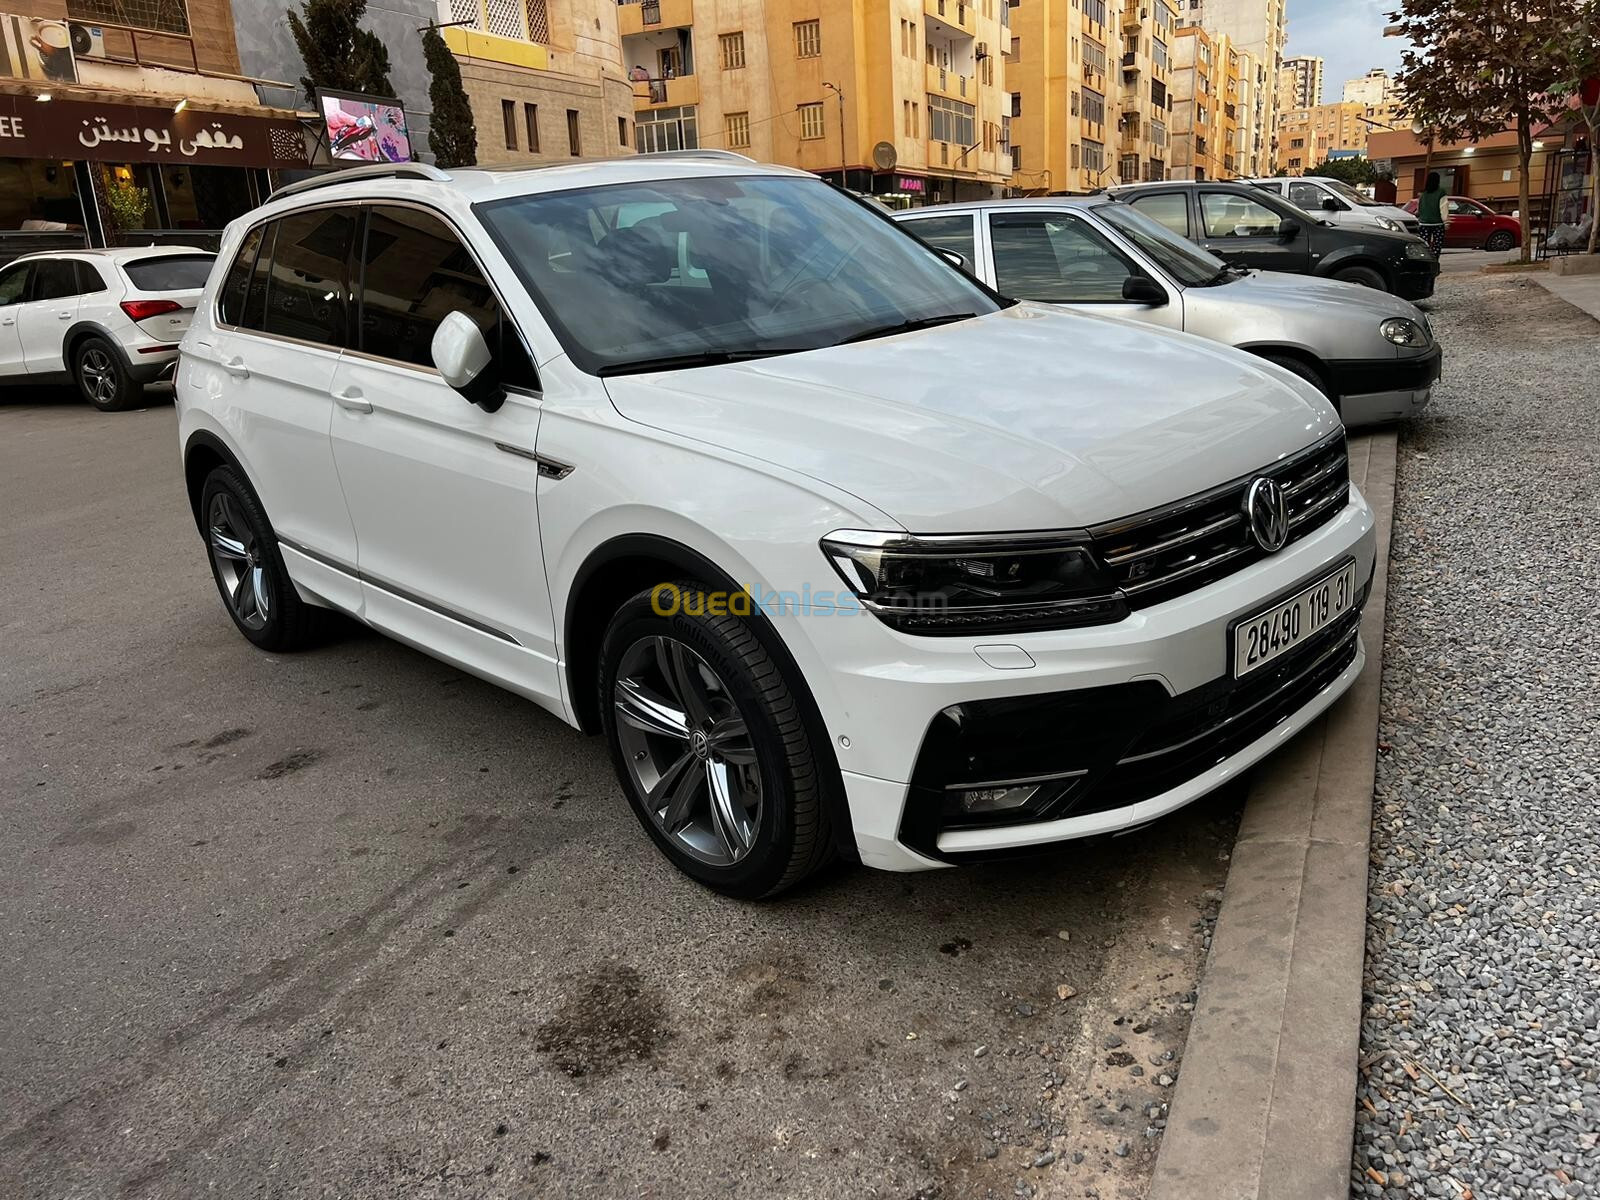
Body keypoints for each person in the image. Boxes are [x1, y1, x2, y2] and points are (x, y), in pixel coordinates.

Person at [1417, 171, 1447, 258]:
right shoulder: (1441, 192)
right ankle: (1434, 262)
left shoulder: (1424, 194)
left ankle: (1425, 262)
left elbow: (1419, 208)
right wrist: (1446, 221)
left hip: (1424, 223)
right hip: (1437, 223)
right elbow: (1443, 207)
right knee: (1437, 245)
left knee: (1424, 245)